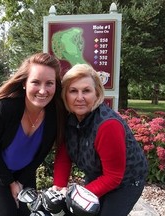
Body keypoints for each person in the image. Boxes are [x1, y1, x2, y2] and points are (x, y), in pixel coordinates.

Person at [0, 53, 66, 216]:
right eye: (36, 82)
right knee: (8, 213)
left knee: (28, 212)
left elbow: (40, 155)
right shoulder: (3, 107)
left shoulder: (55, 114)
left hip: (24, 169)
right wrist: (10, 182)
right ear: (24, 83)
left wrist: (21, 181)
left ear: (55, 86)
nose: (43, 90)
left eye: (49, 83)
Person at [52, 64, 148, 216]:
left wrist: (77, 196)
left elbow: (113, 177)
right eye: (73, 91)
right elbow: (64, 157)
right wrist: (59, 188)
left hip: (125, 182)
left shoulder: (108, 125)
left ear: (97, 93)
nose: (79, 97)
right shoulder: (68, 119)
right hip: (97, 175)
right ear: (65, 95)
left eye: (86, 91)